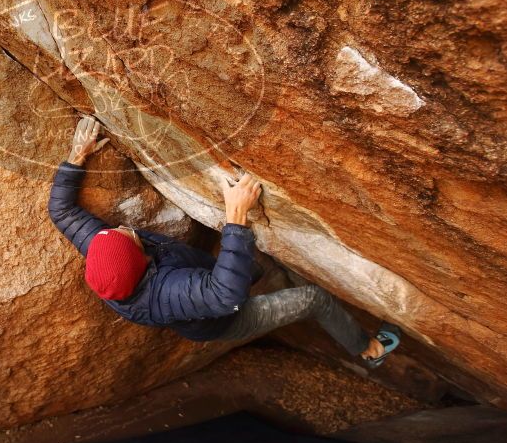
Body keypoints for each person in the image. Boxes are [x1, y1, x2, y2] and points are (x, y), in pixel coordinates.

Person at [48, 116, 400, 367]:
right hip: (228, 316)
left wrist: (77, 156)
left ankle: (269, 274)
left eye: (113, 232)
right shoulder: (165, 293)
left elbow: (61, 211)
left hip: (205, 282)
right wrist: (236, 217)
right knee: (313, 298)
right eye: (128, 238)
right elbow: (223, 296)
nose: (125, 228)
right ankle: (368, 350)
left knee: (257, 267)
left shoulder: (106, 256)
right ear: (139, 264)